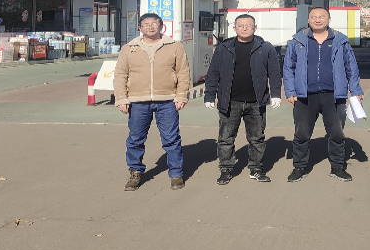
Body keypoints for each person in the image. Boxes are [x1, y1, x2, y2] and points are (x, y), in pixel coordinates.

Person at [283, 6, 363, 182]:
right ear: (308, 19)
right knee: (301, 134)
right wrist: (290, 90)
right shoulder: (298, 41)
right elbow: (288, 67)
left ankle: (337, 167)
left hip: (334, 95)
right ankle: (299, 167)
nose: (317, 19)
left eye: (321, 17)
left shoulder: (341, 41)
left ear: (329, 19)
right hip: (305, 96)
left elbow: (351, 67)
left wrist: (356, 90)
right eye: (314, 17)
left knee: (337, 133)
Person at [114, 12, 190, 191]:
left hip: (167, 100)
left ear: (161, 26)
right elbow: (120, 74)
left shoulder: (174, 46)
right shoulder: (129, 48)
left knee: (171, 139)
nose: (150, 26)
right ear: (140, 28)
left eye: (154, 23)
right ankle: (135, 172)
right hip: (138, 101)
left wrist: (181, 95)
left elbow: (183, 72)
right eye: (146, 24)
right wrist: (121, 98)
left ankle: (176, 174)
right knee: (135, 139)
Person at [204, 14, 282, 184]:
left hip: (256, 102)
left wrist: (275, 93)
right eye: (241, 25)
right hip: (229, 101)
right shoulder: (224, 48)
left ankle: (256, 169)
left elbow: (275, 73)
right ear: (235, 28)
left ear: (255, 27)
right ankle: (226, 169)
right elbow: (213, 73)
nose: (245, 28)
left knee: (256, 138)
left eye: (248, 25)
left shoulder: (265, 48)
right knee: (226, 138)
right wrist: (209, 95)